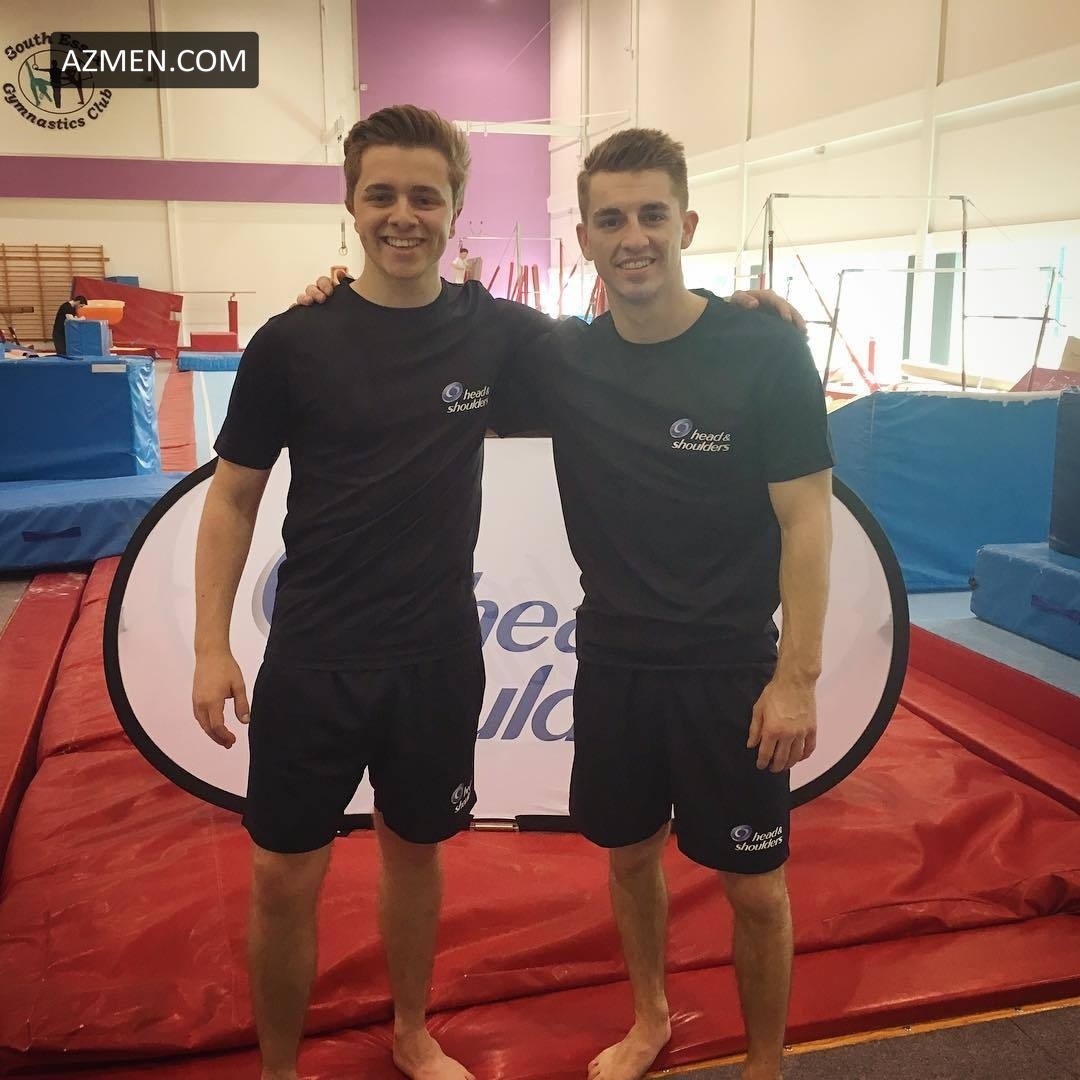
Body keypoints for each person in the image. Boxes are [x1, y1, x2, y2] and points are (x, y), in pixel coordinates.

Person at [300, 126, 831, 1080]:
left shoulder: (765, 350)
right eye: (611, 220)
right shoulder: (562, 359)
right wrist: (338, 301)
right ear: (583, 238)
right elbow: (423, 342)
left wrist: (797, 678)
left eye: (653, 215)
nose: (635, 238)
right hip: (617, 663)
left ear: (687, 224)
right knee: (628, 858)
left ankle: (765, 1064)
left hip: (732, 668)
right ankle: (651, 1017)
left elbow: (807, 520)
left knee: (755, 886)